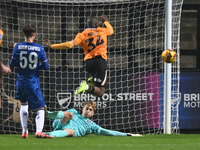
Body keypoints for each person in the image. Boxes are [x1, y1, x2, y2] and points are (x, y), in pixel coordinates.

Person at [43, 14, 113, 97]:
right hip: (100, 61)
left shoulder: (82, 34)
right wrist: (106, 21)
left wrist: (52, 46)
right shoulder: (102, 31)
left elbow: (69, 45)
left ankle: (90, 85)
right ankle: (87, 86)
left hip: (88, 63)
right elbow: (111, 30)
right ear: (97, 25)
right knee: (101, 91)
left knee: (96, 91)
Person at [9, 24, 53, 139]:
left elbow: (11, 65)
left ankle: (24, 131)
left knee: (23, 103)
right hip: (32, 82)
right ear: (34, 35)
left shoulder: (17, 47)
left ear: (23, 34)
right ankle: (39, 131)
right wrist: (35, 66)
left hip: (20, 81)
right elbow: (46, 67)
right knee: (40, 108)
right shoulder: (39, 48)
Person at [45, 101, 143, 137]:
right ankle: (47, 114)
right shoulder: (74, 112)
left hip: (68, 131)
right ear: (83, 109)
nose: (88, 111)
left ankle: (46, 134)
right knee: (69, 114)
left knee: (70, 132)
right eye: (86, 108)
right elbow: (63, 115)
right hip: (60, 123)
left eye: (90, 110)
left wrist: (127, 134)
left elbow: (107, 132)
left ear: (92, 113)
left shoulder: (91, 124)